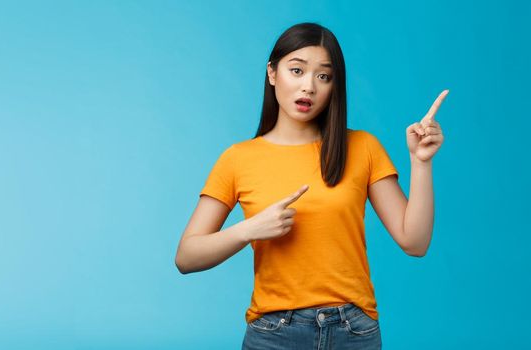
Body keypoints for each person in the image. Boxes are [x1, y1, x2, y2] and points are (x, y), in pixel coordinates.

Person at [173, 22, 446, 350]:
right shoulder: (238, 159)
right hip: (274, 333)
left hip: (353, 331)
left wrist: (421, 162)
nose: (309, 87)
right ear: (272, 73)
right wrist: (249, 230)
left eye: (323, 76)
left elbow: (415, 243)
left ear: (334, 86)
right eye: (297, 70)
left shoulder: (362, 147)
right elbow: (186, 257)